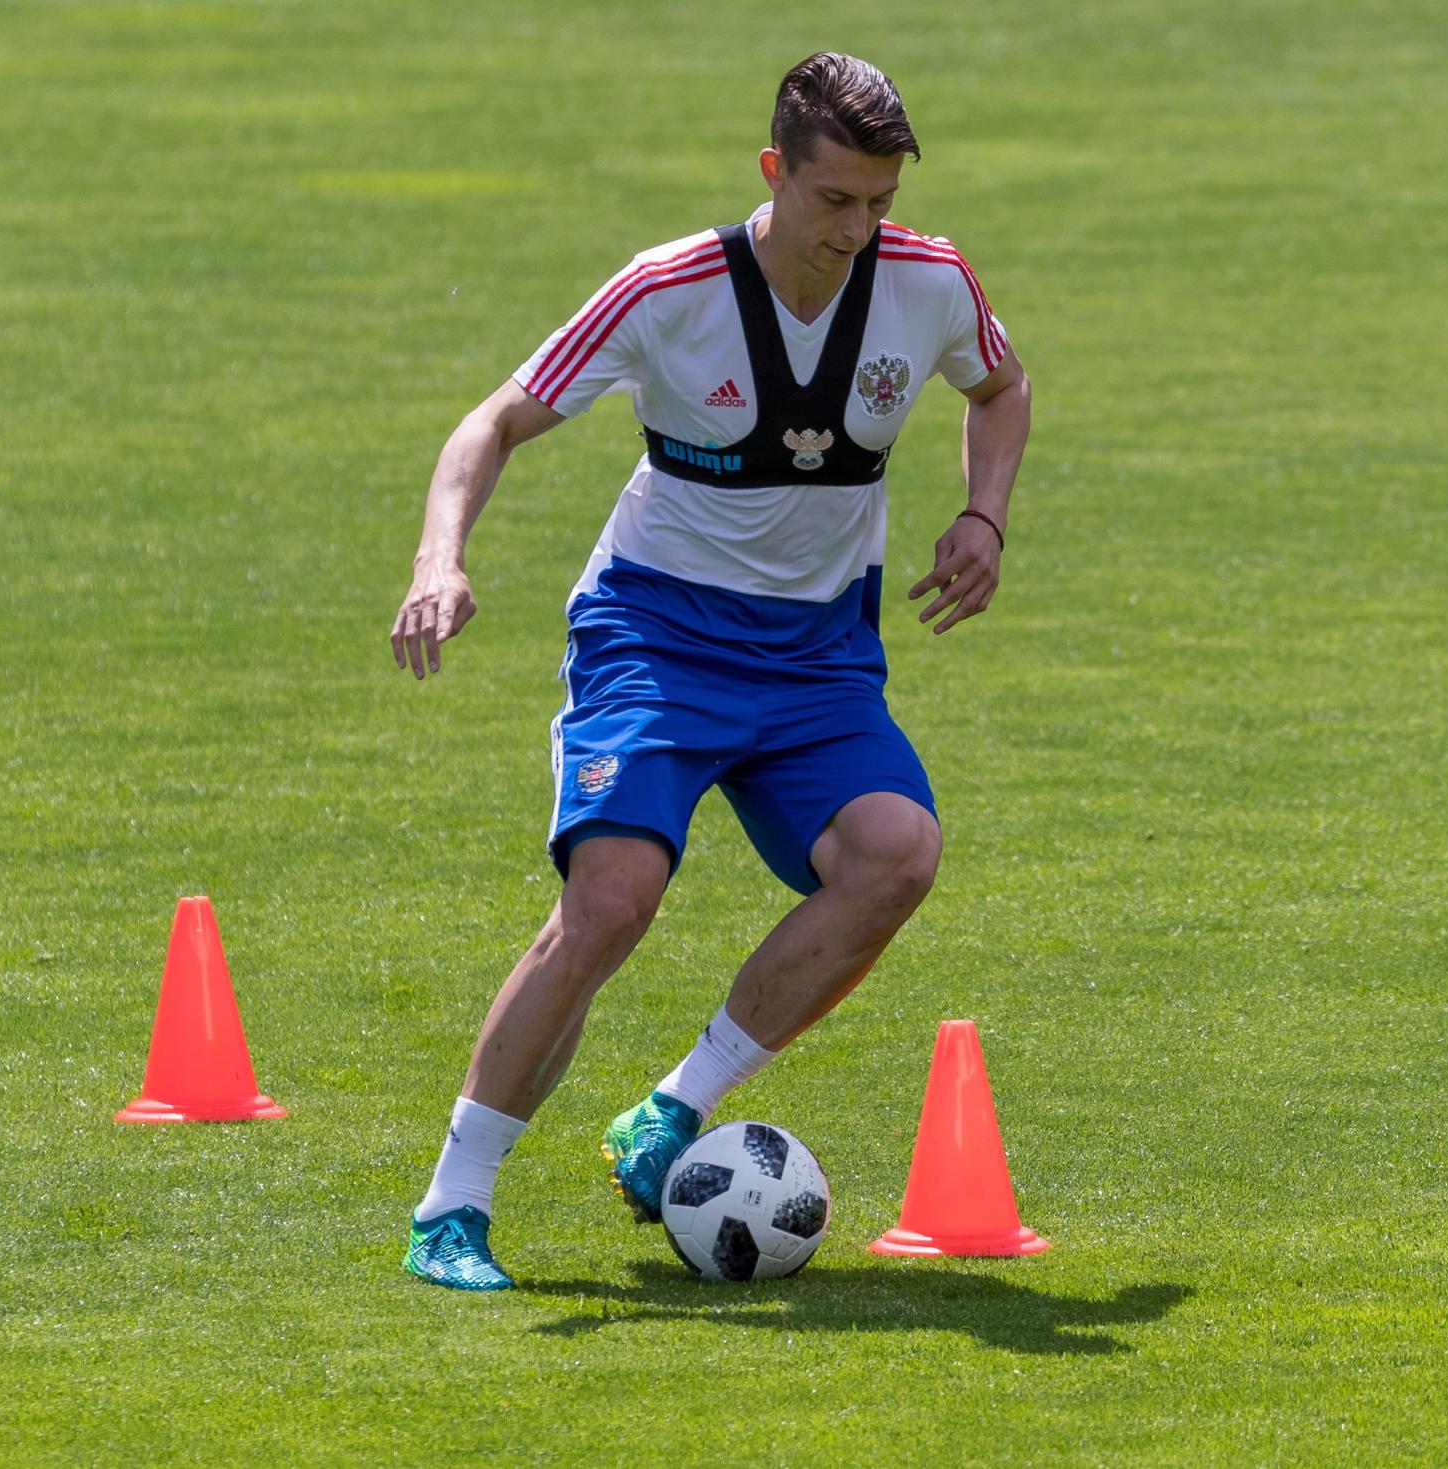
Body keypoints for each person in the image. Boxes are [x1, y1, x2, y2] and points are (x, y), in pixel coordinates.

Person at [389, 52, 1031, 1289]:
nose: (855, 229)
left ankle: (672, 1108)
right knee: (613, 899)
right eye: (832, 198)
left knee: (897, 853)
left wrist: (981, 514)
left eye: (876, 202)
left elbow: (999, 387)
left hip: (818, 656)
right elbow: (493, 421)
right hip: (658, 633)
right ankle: (451, 1206)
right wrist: (439, 560)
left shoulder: (927, 279)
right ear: (772, 172)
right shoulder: (668, 288)